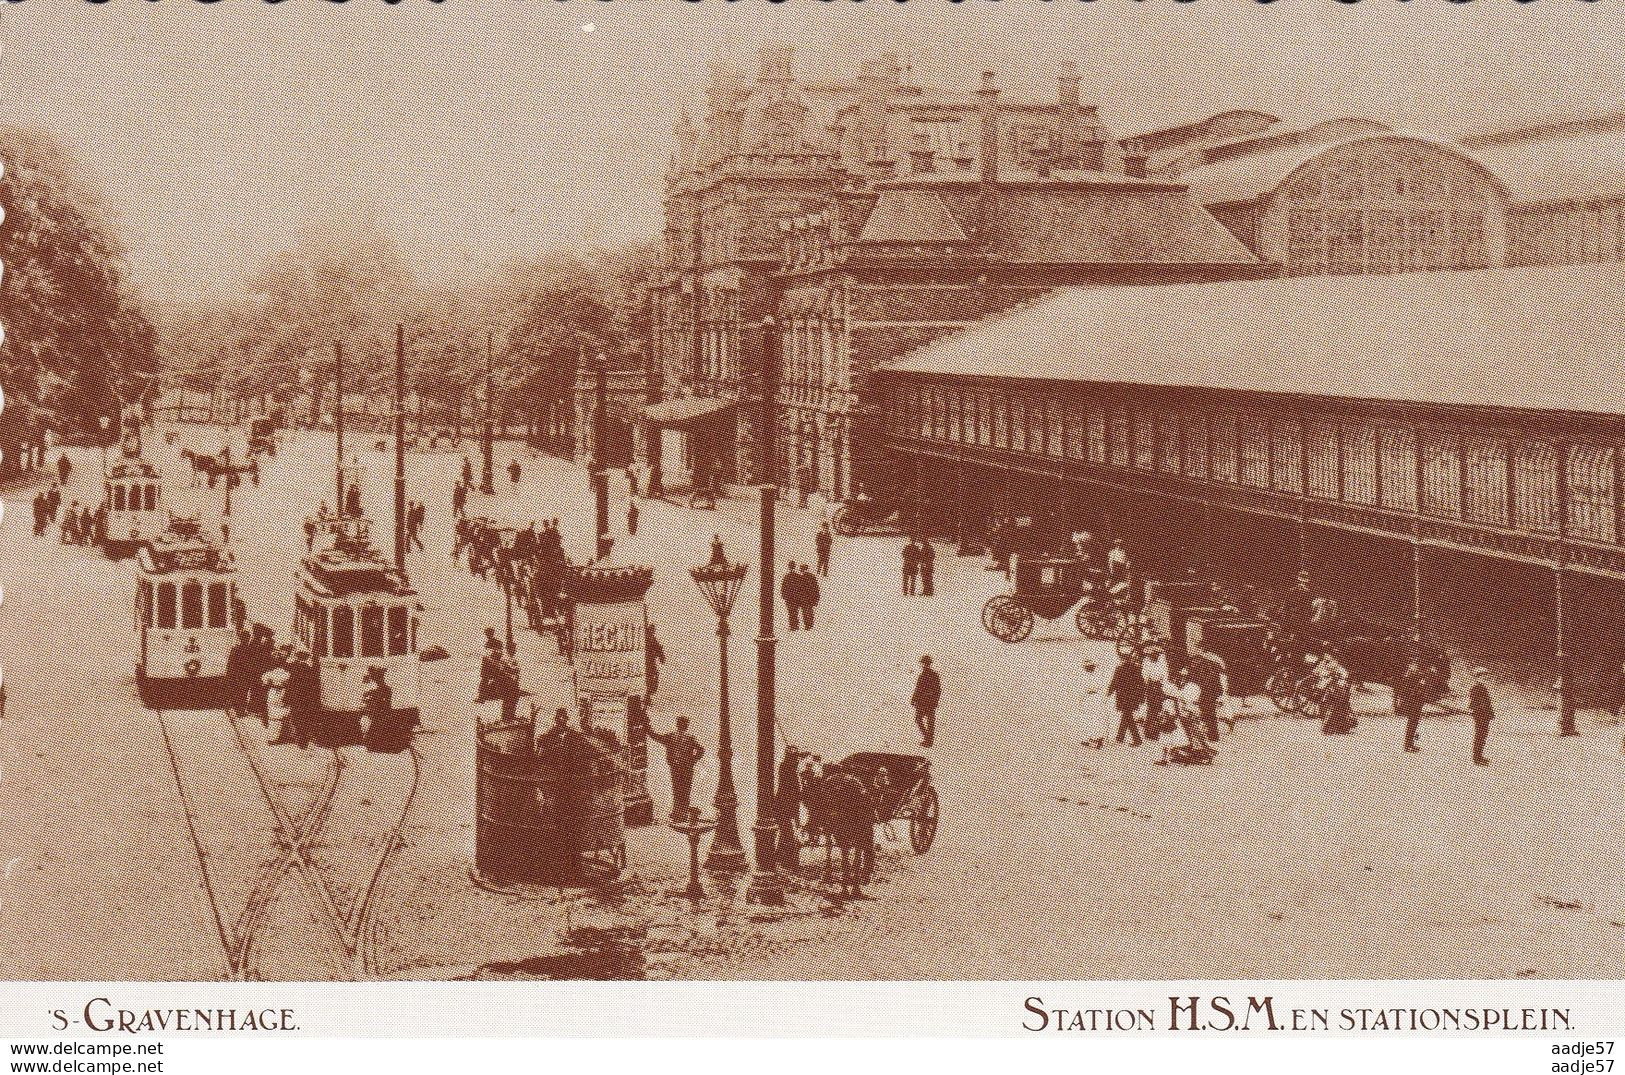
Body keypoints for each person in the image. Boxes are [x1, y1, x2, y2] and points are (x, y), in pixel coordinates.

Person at [649, 715, 706, 822]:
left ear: (678, 725)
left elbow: (657, 737)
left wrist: (648, 730)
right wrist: (692, 760)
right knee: (685, 790)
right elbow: (701, 750)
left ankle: (678, 813)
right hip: (687, 768)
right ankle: (682, 813)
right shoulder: (690, 738)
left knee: (677, 789)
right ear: (686, 726)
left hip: (675, 767)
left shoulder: (671, 736)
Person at [1107, 652, 1145, 745]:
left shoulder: (1119, 669)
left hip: (1123, 697)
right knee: (1126, 715)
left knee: (1128, 716)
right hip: (1133, 697)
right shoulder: (1136, 669)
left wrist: (1109, 691)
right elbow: (1141, 684)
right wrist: (1141, 697)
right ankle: (1120, 737)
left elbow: (1115, 682)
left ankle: (1137, 740)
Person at [775, 745, 802, 869]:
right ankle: (790, 862)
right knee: (788, 834)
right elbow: (792, 791)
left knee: (785, 833)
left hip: (786, 807)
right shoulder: (786, 769)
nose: (797, 761)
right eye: (795, 758)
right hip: (783, 807)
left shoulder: (790, 770)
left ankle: (779, 857)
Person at [1394, 658, 1427, 753]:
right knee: (1412, 724)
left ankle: (1410, 743)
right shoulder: (1409, 678)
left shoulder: (1414, 677)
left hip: (1416, 703)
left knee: (1414, 724)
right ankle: (1408, 745)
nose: (1416, 668)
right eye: (1414, 666)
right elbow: (1407, 692)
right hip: (1412, 704)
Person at [261, 650, 293, 741]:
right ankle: (288, 735)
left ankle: (274, 737)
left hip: (273, 693)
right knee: (286, 712)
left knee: (273, 715)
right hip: (284, 693)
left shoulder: (270, 674)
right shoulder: (287, 674)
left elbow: (264, 683)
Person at [1140, 645, 1169, 741]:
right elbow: (1145, 676)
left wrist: (1164, 687)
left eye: (1155, 654)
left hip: (1159, 687)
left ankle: (1160, 730)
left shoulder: (1162, 662)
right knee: (1152, 710)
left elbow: (1165, 676)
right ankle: (1150, 732)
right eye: (1152, 655)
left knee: (1159, 709)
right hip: (1151, 687)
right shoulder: (1146, 662)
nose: (1154, 656)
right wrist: (1147, 688)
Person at [911, 655, 940, 748]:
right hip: (922, 702)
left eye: (926, 663)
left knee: (929, 721)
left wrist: (935, 700)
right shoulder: (923, 675)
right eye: (923, 663)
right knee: (920, 720)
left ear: (929, 664)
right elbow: (918, 688)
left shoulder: (933, 675)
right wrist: (914, 699)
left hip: (928, 702)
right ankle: (928, 739)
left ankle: (929, 740)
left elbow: (937, 690)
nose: (924, 665)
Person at [1081, 659, 1110, 749]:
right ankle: (1092, 738)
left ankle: (1099, 739)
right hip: (1090, 699)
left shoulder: (1097, 676)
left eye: (1089, 667)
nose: (1088, 669)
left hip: (1095, 698)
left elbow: (1103, 688)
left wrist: (1103, 699)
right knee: (1090, 719)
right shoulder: (1087, 676)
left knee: (1096, 719)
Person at [1469, 667, 1494, 766]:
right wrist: (1482, 709)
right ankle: (1477, 757)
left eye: (1486, 677)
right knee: (1480, 735)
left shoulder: (1482, 687)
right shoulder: (1475, 688)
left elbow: (1487, 703)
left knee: (1483, 735)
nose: (1485, 679)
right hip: (1480, 715)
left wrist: (1490, 713)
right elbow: (1473, 704)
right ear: (1477, 677)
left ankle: (1480, 755)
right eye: (1483, 677)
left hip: (1484, 715)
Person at [645, 622, 666, 699]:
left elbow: (658, 648)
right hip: (645, 663)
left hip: (651, 662)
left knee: (653, 677)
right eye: (650, 631)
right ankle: (647, 696)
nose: (652, 633)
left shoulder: (652, 639)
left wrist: (661, 657)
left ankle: (649, 693)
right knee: (649, 678)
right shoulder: (644, 639)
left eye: (653, 631)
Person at [781, 561, 803, 631]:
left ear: (789, 567)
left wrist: (784, 596)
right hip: (797, 597)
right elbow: (802, 587)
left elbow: (783, 588)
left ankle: (793, 626)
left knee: (791, 612)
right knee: (796, 611)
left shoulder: (786, 577)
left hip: (789, 598)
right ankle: (796, 625)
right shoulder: (798, 576)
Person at [797, 563, 820, 629]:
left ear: (802, 569)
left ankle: (807, 625)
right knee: (809, 610)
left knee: (805, 611)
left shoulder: (800, 577)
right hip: (811, 597)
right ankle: (810, 624)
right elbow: (816, 588)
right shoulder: (812, 576)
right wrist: (816, 597)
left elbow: (799, 589)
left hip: (804, 598)